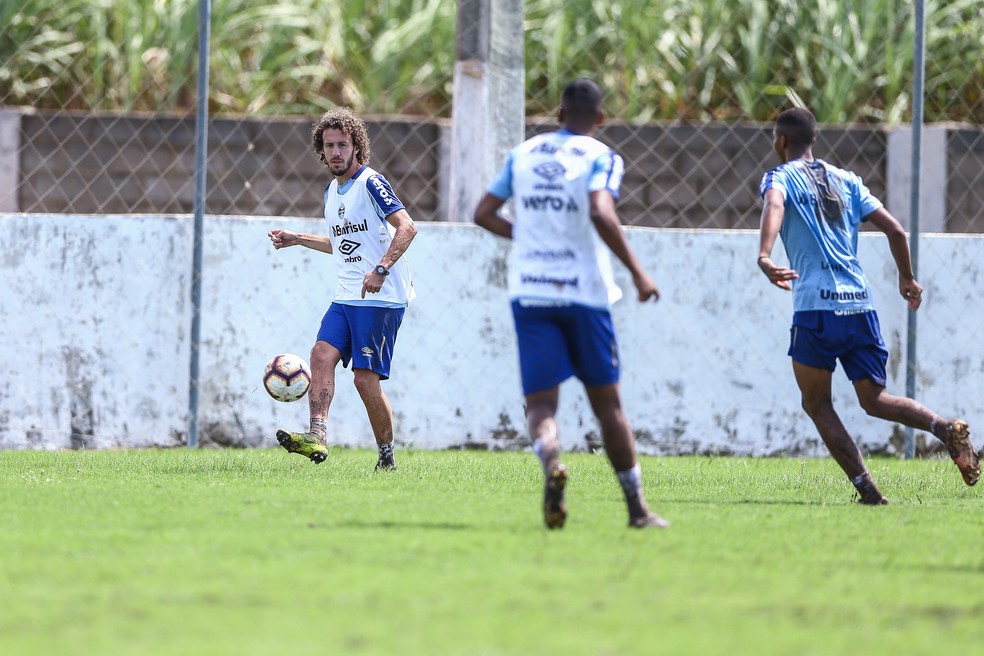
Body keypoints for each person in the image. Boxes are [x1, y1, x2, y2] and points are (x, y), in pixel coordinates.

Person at [757, 107, 980, 504]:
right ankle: (944, 428)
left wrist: (765, 254)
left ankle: (870, 492)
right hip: (860, 303)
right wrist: (907, 278)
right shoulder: (847, 180)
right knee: (874, 398)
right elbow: (894, 228)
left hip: (816, 308)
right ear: (814, 141)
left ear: (782, 141)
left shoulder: (779, 176)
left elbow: (774, 205)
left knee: (816, 402)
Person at [473, 78, 668, 529]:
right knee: (609, 407)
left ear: (558, 115)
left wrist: (526, 237)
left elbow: (482, 212)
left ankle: (552, 462)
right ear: (601, 118)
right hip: (584, 294)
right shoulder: (601, 156)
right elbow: (601, 211)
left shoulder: (523, 154)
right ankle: (637, 509)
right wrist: (638, 271)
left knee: (541, 405)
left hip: (531, 291)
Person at [268, 107, 417, 472]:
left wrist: (381, 269)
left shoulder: (371, 183)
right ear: (321, 149)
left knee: (365, 380)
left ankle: (387, 458)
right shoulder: (332, 192)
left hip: (381, 298)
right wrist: (297, 238)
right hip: (346, 294)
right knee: (320, 354)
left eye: (343, 145)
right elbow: (343, 242)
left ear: (356, 147)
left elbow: (407, 227)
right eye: (329, 145)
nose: (336, 151)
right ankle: (316, 435)